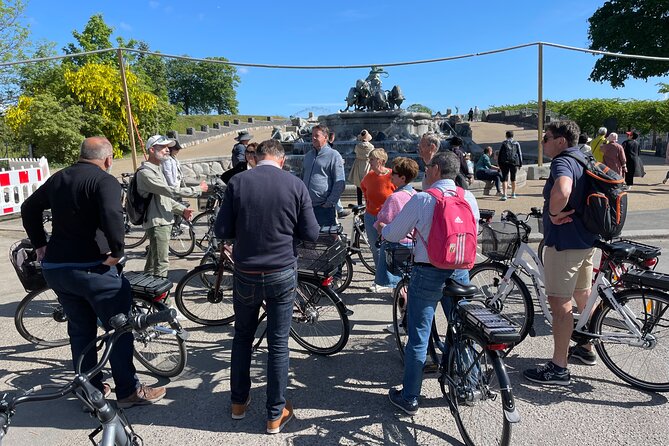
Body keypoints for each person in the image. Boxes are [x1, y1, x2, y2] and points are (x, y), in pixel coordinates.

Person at [21, 136, 166, 408]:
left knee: (80, 330)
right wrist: (117, 251)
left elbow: (28, 208)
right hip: (92, 269)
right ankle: (128, 391)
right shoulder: (104, 181)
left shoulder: (58, 178)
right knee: (119, 329)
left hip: (58, 270)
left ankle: (90, 390)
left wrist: (40, 245)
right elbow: (112, 215)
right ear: (108, 159)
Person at [215, 139, 319, 434]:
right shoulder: (295, 185)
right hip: (281, 271)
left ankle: (238, 402)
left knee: (242, 336)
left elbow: (222, 229)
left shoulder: (238, 182)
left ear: (255, 158)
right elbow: (311, 233)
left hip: (246, 271)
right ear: (282, 160)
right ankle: (274, 414)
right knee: (278, 344)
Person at [384, 151, 479, 415]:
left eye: (428, 167)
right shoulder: (468, 197)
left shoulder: (423, 199)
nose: (426, 171)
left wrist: (383, 229)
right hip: (460, 270)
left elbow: (394, 233)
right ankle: (469, 385)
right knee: (461, 329)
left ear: (436, 169)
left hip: (428, 271)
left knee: (418, 336)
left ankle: (410, 397)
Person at [523, 121, 599, 386]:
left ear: (561, 141)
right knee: (583, 296)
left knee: (560, 304)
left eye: (547, 138)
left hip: (565, 243)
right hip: (585, 240)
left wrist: (554, 214)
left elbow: (564, 190)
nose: (543, 142)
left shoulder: (562, 162)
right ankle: (586, 348)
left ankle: (558, 367)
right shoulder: (584, 156)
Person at [137, 135, 207, 278]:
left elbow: (165, 198)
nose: (167, 150)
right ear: (151, 150)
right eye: (163, 147)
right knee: (161, 265)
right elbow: (170, 190)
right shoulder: (146, 173)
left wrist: (182, 210)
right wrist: (197, 190)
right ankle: (162, 300)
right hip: (158, 223)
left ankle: (147, 297)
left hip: (163, 221)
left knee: (152, 265)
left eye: (168, 147)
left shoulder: (157, 169)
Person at [374, 157, 419, 291]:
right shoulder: (414, 193)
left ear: (403, 178)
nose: (390, 175)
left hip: (397, 244)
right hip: (412, 242)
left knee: (398, 281)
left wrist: (378, 225)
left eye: (394, 173)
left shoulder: (394, 197)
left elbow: (384, 220)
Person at [361, 148, 396, 292]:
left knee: (390, 250)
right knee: (375, 250)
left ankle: (393, 280)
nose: (369, 161)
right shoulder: (368, 176)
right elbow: (364, 188)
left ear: (381, 161)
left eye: (372, 159)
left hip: (388, 218)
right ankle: (379, 279)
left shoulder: (392, 176)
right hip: (370, 216)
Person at [302, 125, 345, 226]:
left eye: (317, 135)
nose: (313, 138)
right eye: (312, 135)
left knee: (325, 240)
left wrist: (329, 203)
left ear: (326, 137)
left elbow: (340, 182)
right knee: (307, 240)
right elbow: (302, 177)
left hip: (323, 209)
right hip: (306, 207)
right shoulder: (308, 156)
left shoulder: (334, 155)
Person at [348, 129, 375, 205]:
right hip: (367, 164)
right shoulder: (371, 146)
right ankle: (367, 201)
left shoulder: (358, 146)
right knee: (368, 184)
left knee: (358, 184)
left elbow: (356, 152)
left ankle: (359, 202)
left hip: (359, 164)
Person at [328, 131, 350, 219]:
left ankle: (339, 209)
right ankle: (339, 210)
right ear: (332, 137)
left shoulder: (326, 147)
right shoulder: (328, 148)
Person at [497, 130, 523, 200]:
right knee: (513, 178)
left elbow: (500, 153)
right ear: (512, 136)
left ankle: (504, 195)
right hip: (513, 162)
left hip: (504, 162)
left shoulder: (504, 143)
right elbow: (519, 154)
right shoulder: (516, 143)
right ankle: (513, 193)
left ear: (506, 136)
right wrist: (520, 163)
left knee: (504, 178)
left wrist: (499, 163)